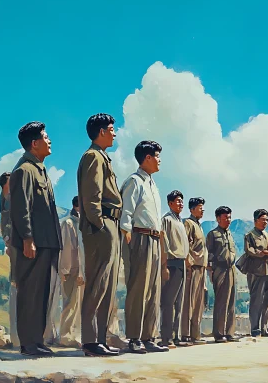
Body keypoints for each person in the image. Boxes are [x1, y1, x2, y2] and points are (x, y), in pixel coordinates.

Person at [9, 121, 62, 356]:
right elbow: (21, 208)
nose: (49, 140)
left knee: (41, 294)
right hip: (35, 243)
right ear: (34, 143)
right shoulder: (24, 171)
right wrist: (28, 238)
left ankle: (36, 340)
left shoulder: (40, 169)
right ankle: (29, 343)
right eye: (46, 137)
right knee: (30, 293)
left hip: (47, 242)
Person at [77, 113, 123, 357]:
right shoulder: (93, 156)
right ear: (102, 131)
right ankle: (90, 340)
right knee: (97, 284)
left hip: (109, 223)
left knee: (107, 285)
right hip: (102, 225)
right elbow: (91, 196)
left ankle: (100, 339)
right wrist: (101, 226)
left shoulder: (103, 157)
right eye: (112, 129)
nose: (115, 133)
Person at [119, 140, 168, 354]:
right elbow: (126, 212)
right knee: (138, 288)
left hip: (155, 239)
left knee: (153, 290)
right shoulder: (134, 181)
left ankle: (149, 336)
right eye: (157, 156)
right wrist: (127, 236)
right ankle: (134, 338)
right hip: (140, 238)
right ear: (147, 157)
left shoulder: (152, 184)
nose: (159, 160)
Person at [237, 209, 268, 337]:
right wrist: (263, 253)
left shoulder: (267, 235)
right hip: (256, 271)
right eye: (263, 219)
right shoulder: (249, 235)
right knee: (256, 301)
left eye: (267, 220)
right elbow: (249, 251)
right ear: (256, 220)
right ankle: (255, 329)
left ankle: (264, 329)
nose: (265, 222)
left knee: (267, 301)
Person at [160, 190, 190, 348]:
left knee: (179, 302)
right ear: (170, 203)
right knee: (168, 302)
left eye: (181, 201)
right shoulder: (166, 220)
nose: (181, 204)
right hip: (171, 262)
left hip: (182, 263)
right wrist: (164, 265)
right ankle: (166, 337)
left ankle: (176, 336)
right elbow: (163, 242)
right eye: (177, 201)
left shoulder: (180, 221)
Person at [206, 206, 239, 343]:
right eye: (225, 217)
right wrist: (212, 269)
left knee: (231, 302)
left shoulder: (229, 234)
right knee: (221, 303)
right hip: (220, 269)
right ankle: (219, 334)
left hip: (231, 270)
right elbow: (208, 253)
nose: (228, 220)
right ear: (218, 219)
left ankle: (230, 332)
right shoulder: (213, 234)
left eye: (229, 217)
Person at [57, 196, 86, 348]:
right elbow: (67, 247)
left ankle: (75, 336)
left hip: (80, 269)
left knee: (78, 304)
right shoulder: (68, 223)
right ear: (77, 206)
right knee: (69, 304)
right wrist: (65, 270)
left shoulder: (81, 223)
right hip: (72, 269)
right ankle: (65, 336)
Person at [181, 197, 208, 345]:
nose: (202, 209)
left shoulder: (199, 225)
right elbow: (187, 246)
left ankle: (195, 334)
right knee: (189, 302)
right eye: (199, 207)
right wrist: (189, 264)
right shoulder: (188, 223)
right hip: (192, 267)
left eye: (203, 207)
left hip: (201, 267)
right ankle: (185, 334)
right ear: (192, 209)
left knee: (198, 303)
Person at [0, 172, 19, 348]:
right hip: (16, 246)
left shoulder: (6, 199)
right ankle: (16, 337)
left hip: (14, 244)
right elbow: (5, 223)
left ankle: (17, 337)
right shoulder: (7, 199)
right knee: (16, 285)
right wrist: (7, 240)